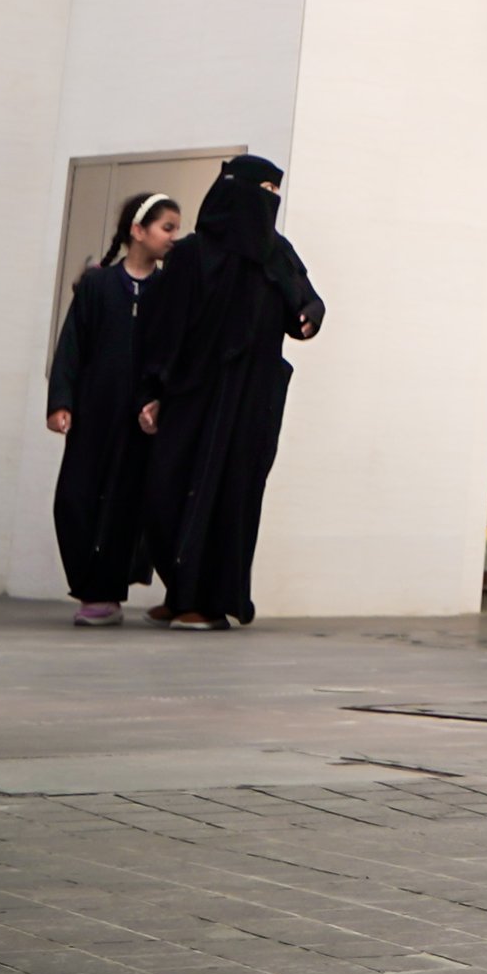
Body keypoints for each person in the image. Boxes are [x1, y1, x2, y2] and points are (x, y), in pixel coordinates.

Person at [143, 154, 326, 629]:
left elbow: (305, 299)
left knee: (231, 494)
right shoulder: (190, 255)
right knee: (168, 488)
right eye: (262, 191)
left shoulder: (275, 254)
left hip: (249, 400)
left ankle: (208, 601)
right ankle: (180, 589)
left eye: (274, 193)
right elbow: (163, 329)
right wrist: (153, 389)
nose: (270, 202)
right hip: (192, 393)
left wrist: (309, 316)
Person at [45, 192, 181, 623]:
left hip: (142, 422)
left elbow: (175, 352)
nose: (174, 237)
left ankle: (106, 593)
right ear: (137, 231)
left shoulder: (169, 290)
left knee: (128, 502)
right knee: (75, 498)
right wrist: (61, 402)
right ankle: (90, 585)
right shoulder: (97, 286)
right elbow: (71, 347)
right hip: (94, 415)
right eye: (167, 227)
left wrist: (159, 400)